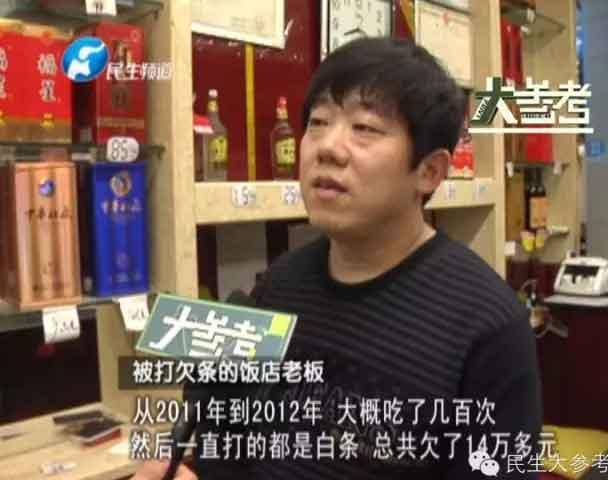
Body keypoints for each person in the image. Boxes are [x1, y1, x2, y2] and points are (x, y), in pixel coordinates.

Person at [133, 37, 542, 480]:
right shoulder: (277, 288)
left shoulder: (488, 327)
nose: (327, 147)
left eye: (364, 127)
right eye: (318, 122)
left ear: (429, 172)